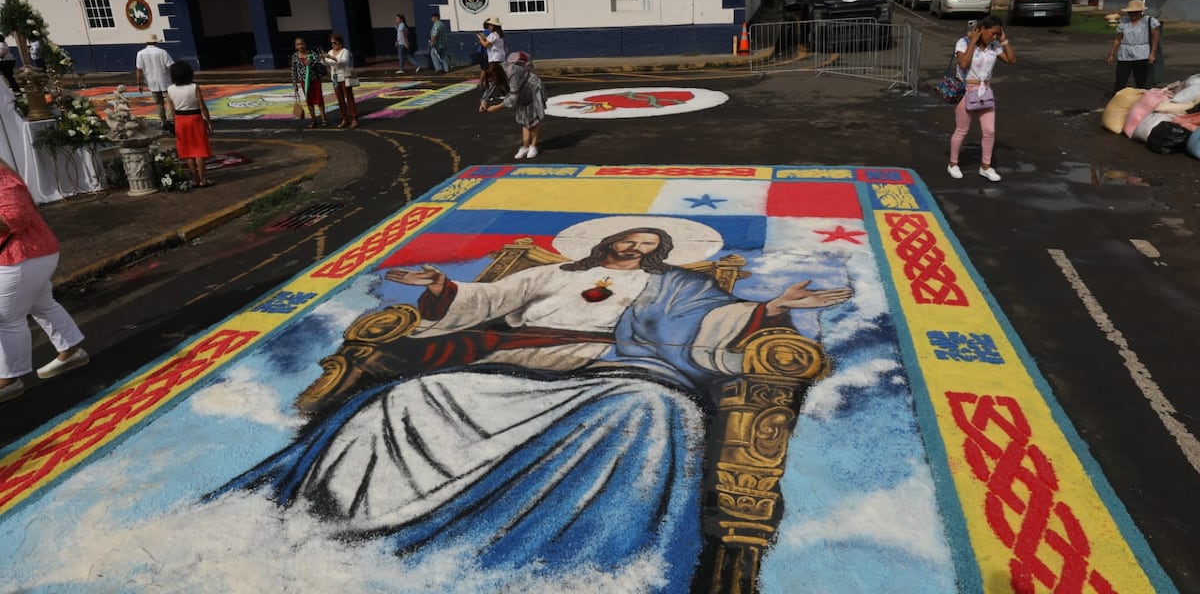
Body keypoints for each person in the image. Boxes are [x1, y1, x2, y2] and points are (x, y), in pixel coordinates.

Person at [212, 225, 851, 586]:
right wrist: (440, 287)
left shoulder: (672, 285)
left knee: (651, 416)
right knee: (404, 399)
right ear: (605, 245)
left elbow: (709, 322)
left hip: (615, 372)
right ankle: (338, 533)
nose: (632, 251)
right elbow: (482, 305)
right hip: (514, 367)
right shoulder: (550, 276)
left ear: (659, 255)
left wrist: (771, 308)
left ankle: (577, 567)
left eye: (645, 247)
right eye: (626, 242)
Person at [0, 159, 88, 405]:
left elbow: (14, 220)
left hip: (24, 255)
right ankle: (70, 350)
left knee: (8, 318)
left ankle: (9, 379)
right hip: (27, 255)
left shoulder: (4, 180)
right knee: (41, 304)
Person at [947, 15, 1016, 183]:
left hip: (985, 91)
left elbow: (1011, 60)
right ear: (981, 29)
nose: (994, 37)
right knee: (962, 130)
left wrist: (1004, 40)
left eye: (997, 34)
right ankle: (953, 163)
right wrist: (973, 41)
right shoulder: (963, 42)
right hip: (966, 90)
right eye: (993, 33)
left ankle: (985, 166)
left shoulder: (994, 46)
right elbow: (963, 64)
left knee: (989, 130)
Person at [481, 51, 546, 159]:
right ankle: (525, 147)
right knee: (524, 118)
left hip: (533, 89)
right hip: (522, 91)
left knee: (534, 117)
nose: (492, 81)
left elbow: (513, 97)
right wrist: (484, 100)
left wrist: (497, 107)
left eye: (492, 78)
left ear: (496, 74)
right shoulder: (497, 70)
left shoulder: (512, 73)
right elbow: (492, 84)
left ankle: (533, 146)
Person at [164, 61, 214, 188]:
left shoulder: (170, 89)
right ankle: (203, 179)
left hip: (180, 119)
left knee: (188, 151)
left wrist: (173, 124)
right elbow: (202, 106)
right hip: (195, 118)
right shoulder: (194, 87)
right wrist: (208, 121)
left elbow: (170, 109)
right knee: (199, 150)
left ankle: (194, 179)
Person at [1107, 0, 1161, 96]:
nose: (1132, 15)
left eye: (1135, 12)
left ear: (1141, 12)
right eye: (1130, 13)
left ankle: (1142, 100)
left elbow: (1155, 38)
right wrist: (1111, 54)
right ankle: (1116, 98)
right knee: (1120, 79)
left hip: (1142, 54)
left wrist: (1152, 53)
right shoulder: (1124, 21)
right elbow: (1118, 39)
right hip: (1125, 53)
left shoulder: (1149, 21)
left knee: (1141, 80)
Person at [134, 34, 174, 132]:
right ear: (156, 42)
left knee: (158, 103)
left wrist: (139, 83)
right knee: (169, 101)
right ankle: (170, 120)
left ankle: (163, 121)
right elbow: (170, 66)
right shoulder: (162, 52)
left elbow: (139, 70)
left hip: (151, 82)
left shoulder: (140, 53)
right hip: (165, 80)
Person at [290, 37, 327, 127]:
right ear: (295, 46)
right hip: (304, 82)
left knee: (319, 99)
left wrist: (311, 63)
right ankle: (313, 119)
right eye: (298, 44)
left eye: (302, 43)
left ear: (305, 44)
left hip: (315, 80)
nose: (300, 46)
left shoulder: (312, 53)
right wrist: (294, 84)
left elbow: (320, 64)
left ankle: (323, 119)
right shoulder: (294, 56)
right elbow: (293, 70)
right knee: (309, 100)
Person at [324, 33, 359, 129]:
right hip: (335, 78)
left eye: (335, 42)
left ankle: (354, 118)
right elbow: (328, 63)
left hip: (344, 77)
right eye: (331, 43)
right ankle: (345, 118)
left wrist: (332, 59)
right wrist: (326, 59)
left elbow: (344, 62)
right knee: (340, 99)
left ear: (340, 43)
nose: (333, 45)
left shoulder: (345, 51)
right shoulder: (330, 51)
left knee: (349, 98)